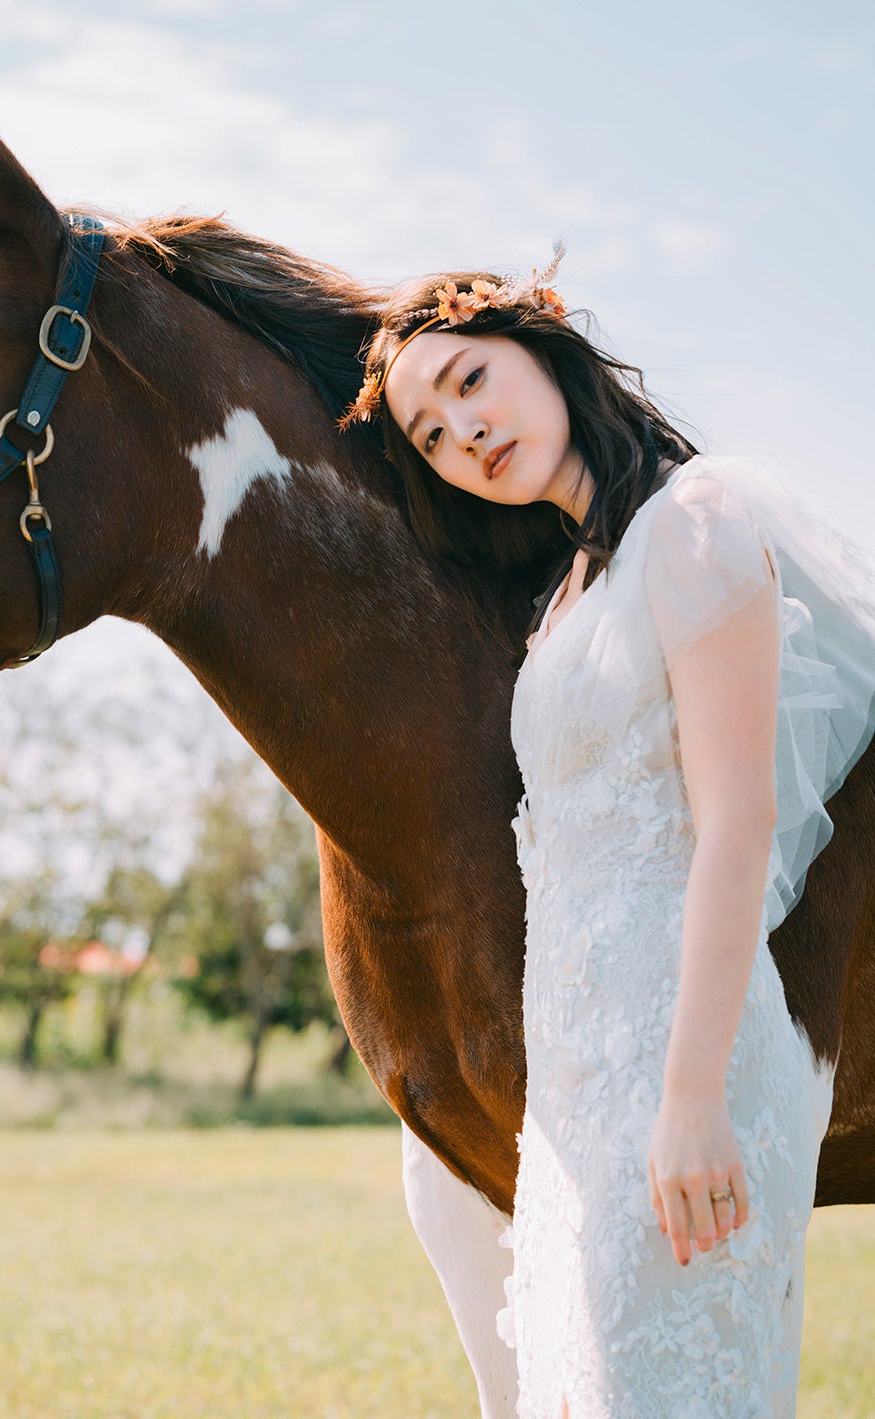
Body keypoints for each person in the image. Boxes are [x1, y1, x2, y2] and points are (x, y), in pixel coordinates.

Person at [338, 253, 875, 1417]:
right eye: (430, 435)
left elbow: (739, 824)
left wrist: (690, 1098)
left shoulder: (696, 522)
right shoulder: (574, 588)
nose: (463, 433)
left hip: (689, 1069)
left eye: (472, 382)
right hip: (580, 1090)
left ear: (546, 353)